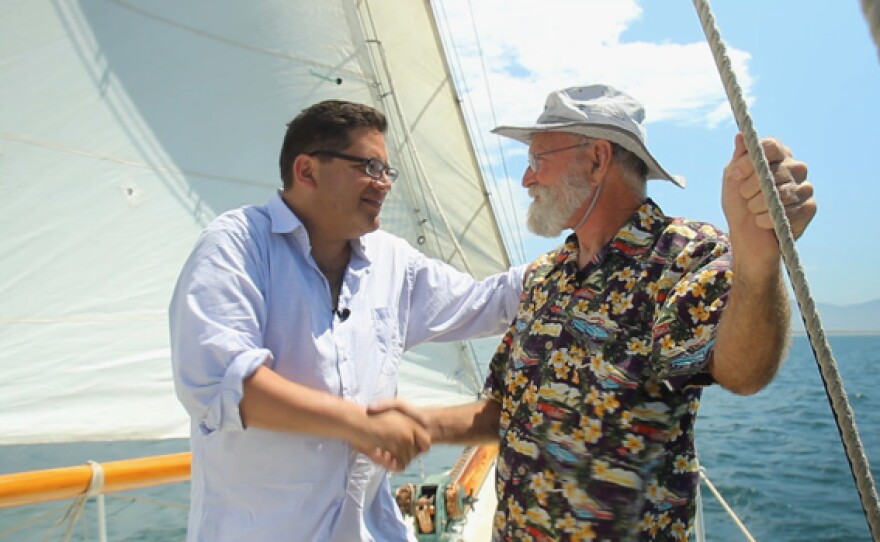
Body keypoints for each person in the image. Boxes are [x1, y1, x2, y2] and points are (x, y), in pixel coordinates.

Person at [369, 84, 817, 541]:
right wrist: (423, 423)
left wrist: (759, 265)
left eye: (538, 161)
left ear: (598, 159)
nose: (526, 180)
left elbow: (743, 373)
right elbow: (505, 411)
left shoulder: (682, 257)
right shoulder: (545, 277)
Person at [168, 99, 525, 541]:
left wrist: (582, 254)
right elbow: (225, 384)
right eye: (370, 167)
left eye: (387, 172)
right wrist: (362, 425)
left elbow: (487, 302)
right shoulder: (235, 245)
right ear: (307, 171)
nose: (384, 184)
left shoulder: (392, 261)